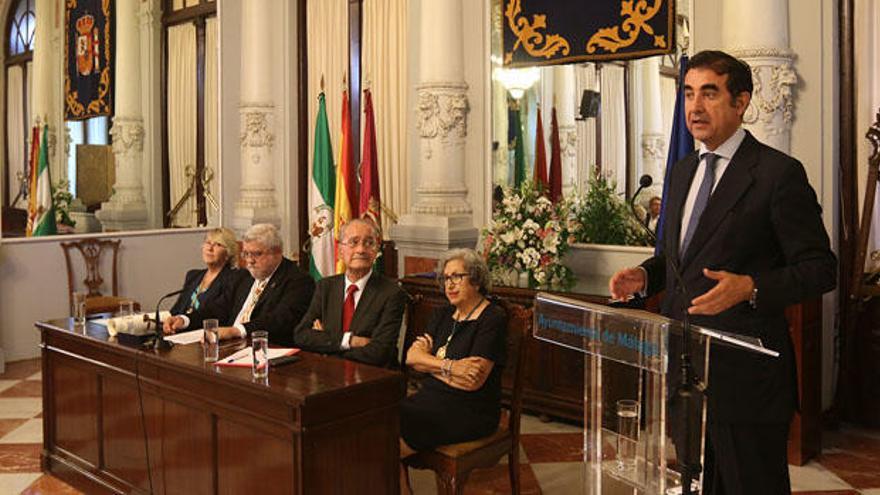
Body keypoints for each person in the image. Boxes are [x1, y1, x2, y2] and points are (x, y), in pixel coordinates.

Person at [609, 50, 836, 494]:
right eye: (689, 93)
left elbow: (819, 268)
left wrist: (752, 287)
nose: (695, 107)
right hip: (685, 373)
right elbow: (681, 259)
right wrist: (646, 276)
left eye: (709, 93)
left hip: (746, 380)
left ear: (741, 101)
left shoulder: (777, 174)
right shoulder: (681, 171)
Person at [399, 248, 508, 482]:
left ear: (477, 280)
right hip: (430, 400)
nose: (450, 284)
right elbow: (411, 358)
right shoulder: (442, 314)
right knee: (380, 421)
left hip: (471, 410)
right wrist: (452, 367)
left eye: (457, 277)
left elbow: (472, 381)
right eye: (446, 278)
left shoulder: (492, 318)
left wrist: (430, 365)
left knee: (385, 440)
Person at [164, 223, 315, 347]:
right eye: (246, 254)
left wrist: (236, 331)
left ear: (276, 252)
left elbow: (279, 320)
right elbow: (219, 308)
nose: (249, 260)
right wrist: (184, 320)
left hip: (266, 350)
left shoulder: (298, 281)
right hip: (231, 347)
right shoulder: (244, 277)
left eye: (256, 254)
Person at [294, 218, 406, 367]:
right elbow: (301, 335)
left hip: (373, 376)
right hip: (330, 375)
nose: (361, 250)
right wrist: (350, 341)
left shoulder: (392, 293)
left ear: (376, 251)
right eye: (354, 242)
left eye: (369, 243)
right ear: (340, 251)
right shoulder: (326, 287)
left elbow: (380, 352)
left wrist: (327, 347)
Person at [169, 227, 243, 316]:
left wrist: (184, 321)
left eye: (218, 244)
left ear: (228, 253)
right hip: (180, 327)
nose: (210, 248)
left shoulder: (234, 278)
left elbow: (218, 313)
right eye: (208, 243)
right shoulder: (193, 275)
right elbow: (175, 310)